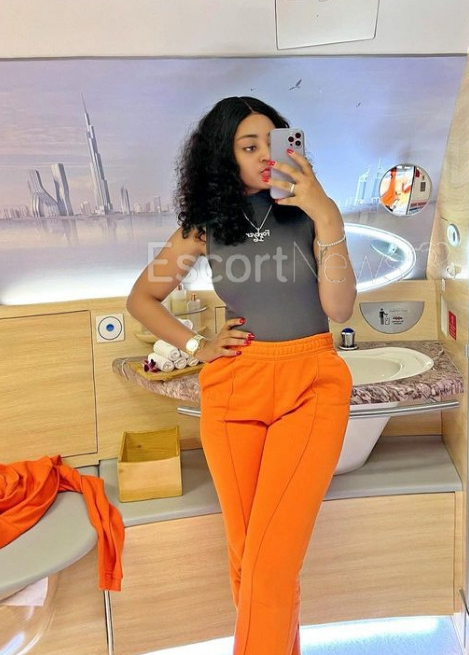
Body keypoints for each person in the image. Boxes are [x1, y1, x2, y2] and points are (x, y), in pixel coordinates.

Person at [126, 96, 356, 655]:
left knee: (271, 562)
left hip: (311, 384)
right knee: (248, 558)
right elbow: (142, 298)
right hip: (234, 388)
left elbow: (340, 307)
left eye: (270, 143)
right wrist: (198, 346)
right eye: (248, 146)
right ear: (222, 158)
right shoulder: (204, 227)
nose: (262, 155)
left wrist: (327, 215)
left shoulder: (310, 213)